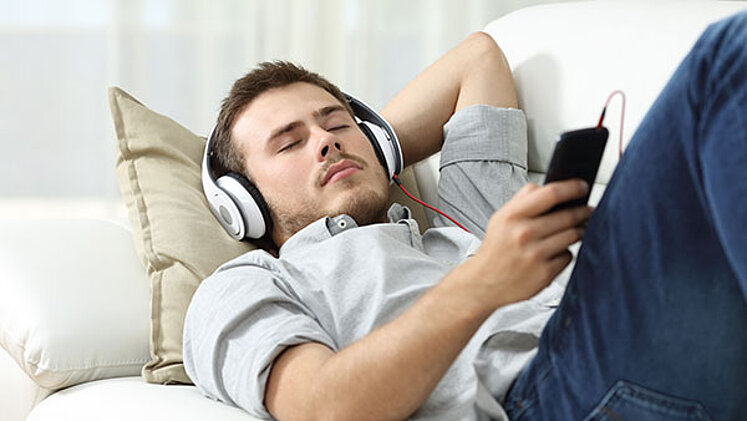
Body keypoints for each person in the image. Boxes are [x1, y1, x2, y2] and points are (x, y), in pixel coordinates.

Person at [183, 10, 746, 421]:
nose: (325, 142)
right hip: (545, 398)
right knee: (725, 59)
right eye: (289, 143)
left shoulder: (461, 213)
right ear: (243, 201)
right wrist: (484, 281)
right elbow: (324, 407)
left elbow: (479, 56)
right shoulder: (244, 287)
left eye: (336, 123)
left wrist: (367, 150)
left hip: (651, 331)